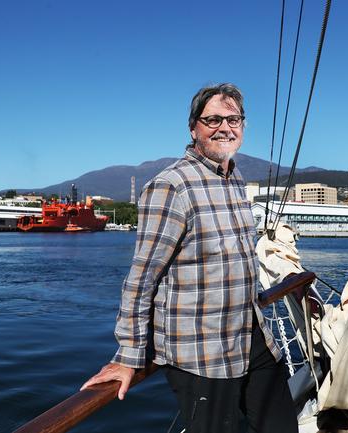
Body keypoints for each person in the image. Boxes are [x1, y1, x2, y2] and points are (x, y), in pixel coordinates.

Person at [81, 83, 298, 433]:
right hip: (202, 351)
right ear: (193, 127)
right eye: (213, 119)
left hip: (251, 333)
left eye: (233, 119)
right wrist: (127, 355)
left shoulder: (233, 177)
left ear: (243, 126)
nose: (225, 127)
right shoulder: (171, 186)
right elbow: (142, 277)